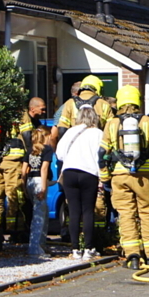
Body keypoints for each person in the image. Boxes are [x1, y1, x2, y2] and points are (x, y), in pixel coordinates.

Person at [101, 85, 149, 269]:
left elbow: (101, 153)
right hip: (144, 175)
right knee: (147, 212)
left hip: (119, 175)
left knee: (126, 215)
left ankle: (133, 256)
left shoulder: (112, 123)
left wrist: (105, 176)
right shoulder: (146, 121)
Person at [0, 97, 45, 234]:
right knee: (14, 195)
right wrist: (32, 157)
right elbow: (27, 135)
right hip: (12, 160)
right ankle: (15, 230)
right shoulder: (19, 112)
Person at [56, 104, 105, 259]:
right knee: (88, 211)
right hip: (89, 173)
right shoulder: (98, 133)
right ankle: (89, 248)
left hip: (69, 172)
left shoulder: (70, 132)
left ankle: (75, 249)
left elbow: (59, 154)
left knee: (74, 211)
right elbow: (101, 155)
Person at [51, 75, 113, 147]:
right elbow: (111, 130)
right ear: (99, 88)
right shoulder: (104, 104)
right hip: (96, 147)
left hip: (75, 148)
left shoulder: (70, 103)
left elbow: (62, 129)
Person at [25, 126, 53, 257]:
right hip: (39, 181)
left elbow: (23, 170)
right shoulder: (47, 150)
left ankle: (41, 245)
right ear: (45, 136)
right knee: (39, 217)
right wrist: (43, 188)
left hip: (30, 181)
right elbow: (44, 169)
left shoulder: (30, 150)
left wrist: (24, 186)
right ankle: (35, 248)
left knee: (43, 212)